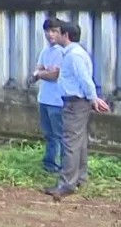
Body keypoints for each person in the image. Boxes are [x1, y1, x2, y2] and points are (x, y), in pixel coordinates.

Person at [45, 22, 110, 199]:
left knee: (70, 143)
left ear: (65, 35)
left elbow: (85, 79)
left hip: (75, 103)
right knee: (79, 141)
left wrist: (93, 98)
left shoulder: (74, 56)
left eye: (57, 33)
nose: (54, 36)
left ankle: (67, 184)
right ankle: (80, 177)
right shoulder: (74, 53)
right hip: (77, 102)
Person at [30, 18, 64, 173]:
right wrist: (42, 72)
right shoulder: (45, 51)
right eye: (48, 31)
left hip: (58, 101)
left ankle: (65, 166)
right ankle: (49, 163)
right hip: (44, 98)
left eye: (54, 31)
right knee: (49, 135)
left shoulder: (62, 51)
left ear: (60, 32)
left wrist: (40, 73)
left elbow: (54, 75)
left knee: (60, 135)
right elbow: (38, 71)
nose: (50, 34)